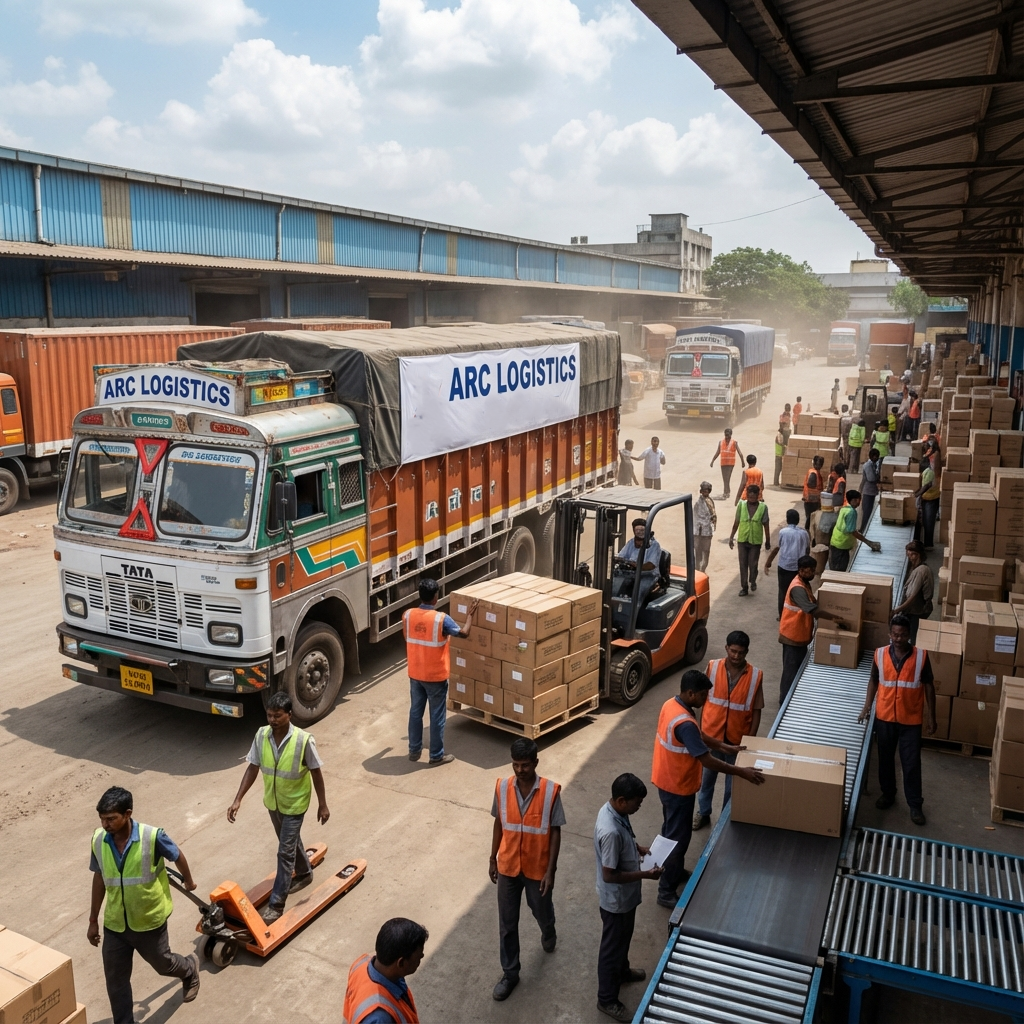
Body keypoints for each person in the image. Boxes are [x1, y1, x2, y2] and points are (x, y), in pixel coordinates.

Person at [651, 671, 765, 909]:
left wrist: (724, 746)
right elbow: (707, 760)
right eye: (704, 695)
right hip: (678, 788)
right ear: (691, 693)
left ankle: (673, 871)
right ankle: (666, 891)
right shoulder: (684, 722)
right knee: (677, 840)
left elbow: (698, 735)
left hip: (666, 780)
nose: (707, 700)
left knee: (669, 833)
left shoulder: (672, 705)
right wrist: (741, 772)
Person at [88, 786, 200, 1024]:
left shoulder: (152, 836)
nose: (105, 825)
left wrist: (189, 881)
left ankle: (189, 969)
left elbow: (176, 855)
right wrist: (92, 921)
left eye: (111, 819)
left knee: (163, 964)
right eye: (102, 819)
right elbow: (99, 878)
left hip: (148, 919)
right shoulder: (99, 840)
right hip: (116, 924)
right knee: (115, 981)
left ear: (128, 814)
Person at [227, 692, 330, 923]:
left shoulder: (304, 740)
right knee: (289, 842)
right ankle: (304, 873)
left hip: (295, 804)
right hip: (273, 803)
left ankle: (276, 904)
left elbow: (316, 772)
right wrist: (238, 799)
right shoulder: (261, 735)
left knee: (284, 852)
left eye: (277, 716)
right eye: (269, 715)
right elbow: (253, 767)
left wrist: (322, 804)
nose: (272, 720)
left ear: (289, 715)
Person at [489, 738, 564, 1001]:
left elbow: (555, 832)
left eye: (525, 765)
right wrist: (492, 858)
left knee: (540, 909)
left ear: (536, 763)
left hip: (536, 868)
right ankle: (510, 973)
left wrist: (551, 871)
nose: (520, 770)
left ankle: (549, 928)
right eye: (515, 765)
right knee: (507, 924)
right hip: (509, 865)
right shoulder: (502, 787)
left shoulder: (550, 791)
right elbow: (499, 822)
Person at [594, 773, 663, 1022]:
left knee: (623, 939)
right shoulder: (610, 831)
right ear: (622, 800)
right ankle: (607, 999)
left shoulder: (615, 811)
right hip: (616, 902)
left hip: (625, 899)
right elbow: (610, 875)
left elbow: (626, 839)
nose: (639, 806)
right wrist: (645, 874)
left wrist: (638, 848)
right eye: (637, 802)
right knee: (611, 949)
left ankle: (621, 972)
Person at [858, 613, 936, 827]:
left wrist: (931, 716)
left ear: (909, 635)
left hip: (910, 720)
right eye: (894, 634)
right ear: (889, 633)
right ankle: (888, 794)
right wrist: (866, 707)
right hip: (885, 717)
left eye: (902, 635)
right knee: (885, 759)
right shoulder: (880, 654)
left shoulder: (921, 656)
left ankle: (915, 804)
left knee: (910, 763)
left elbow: (929, 686)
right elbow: (873, 680)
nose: (898, 638)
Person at [693, 634, 764, 831]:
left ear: (747, 652)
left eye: (741, 653)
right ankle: (703, 812)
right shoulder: (712, 667)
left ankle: (724, 820)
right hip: (712, 737)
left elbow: (757, 710)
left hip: (736, 741)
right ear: (726, 648)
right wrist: (699, 730)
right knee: (707, 779)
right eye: (733, 651)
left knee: (732, 785)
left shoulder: (755, 676)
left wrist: (750, 740)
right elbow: (701, 700)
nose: (736, 656)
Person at [403, 577, 476, 766]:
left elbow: (409, 637)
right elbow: (464, 633)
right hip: (435, 677)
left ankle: (414, 750)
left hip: (415, 674)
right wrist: (470, 615)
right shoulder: (441, 619)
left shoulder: (408, 615)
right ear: (436, 597)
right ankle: (436, 755)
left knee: (415, 712)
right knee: (436, 715)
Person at [778, 555, 848, 702]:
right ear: (801, 570)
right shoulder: (797, 588)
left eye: (814, 570)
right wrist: (836, 618)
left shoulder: (804, 583)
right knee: (790, 673)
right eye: (811, 571)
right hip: (792, 636)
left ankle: (791, 698)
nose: (813, 573)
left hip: (801, 635)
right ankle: (784, 701)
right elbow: (812, 610)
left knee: (798, 670)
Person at [343, 917, 426, 1023]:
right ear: (401, 963)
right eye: (418, 957)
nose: (422, 956)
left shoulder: (361, 964)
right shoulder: (380, 1018)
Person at [765, 509, 810, 617]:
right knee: (798, 591)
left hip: (784, 566)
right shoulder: (804, 533)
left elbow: (777, 548)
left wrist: (768, 562)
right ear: (798, 520)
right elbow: (807, 550)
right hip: (799, 568)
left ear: (787, 519)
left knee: (783, 591)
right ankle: (797, 613)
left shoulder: (783, 532)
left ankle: (782, 615)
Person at [728, 484, 770, 597]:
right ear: (746, 495)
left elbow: (766, 525)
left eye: (753, 496)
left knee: (753, 563)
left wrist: (768, 541)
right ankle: (744, 587)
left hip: (755, 541)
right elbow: (736, 522)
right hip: (742, 539)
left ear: (757, 496)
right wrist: (731, 537)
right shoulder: (741, 505)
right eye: (749, 496)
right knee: (742, 564)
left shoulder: (763, 507)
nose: (751, 498)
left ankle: (753, 580)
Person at [828, 489, 881, 572]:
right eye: (858, 500)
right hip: (842, 545)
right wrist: (868, 542)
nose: (859, 503)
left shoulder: (844, 509)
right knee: (839, 570)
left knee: (834, 566)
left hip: (835, 541)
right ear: (854, 500)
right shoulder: (851, 512)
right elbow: (852, 531)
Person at [614, 518, 662, 608]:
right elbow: (622, 556)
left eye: (642, 530)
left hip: (648, 575)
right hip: (631, 573)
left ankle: (634, 611)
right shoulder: (631, 542)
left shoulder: (654, 545)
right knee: (614, 587)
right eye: (637, 530)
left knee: (638, 594)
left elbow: (651, 565)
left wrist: (636, 566)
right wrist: (616, 559)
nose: (640, 532)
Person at [892, 541, 933, 643]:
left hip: (918, 611)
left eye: (911, 555)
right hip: (912, 610)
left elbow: (913, 596)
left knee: (914, 638)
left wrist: (896, 610)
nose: (909, 557)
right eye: (908, 554)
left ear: (917, 555)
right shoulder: (914, 567)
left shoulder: (922, 570)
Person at [915, 446, 940, 549]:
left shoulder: (929, 472)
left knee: (929, 522)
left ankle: (929, 544)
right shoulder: (927, 470)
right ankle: (925, 543)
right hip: (927, 498)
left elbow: (926, 486)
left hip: (931, 499)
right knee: (925, 521)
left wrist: (917, 494)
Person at [709, 428, 741, 499]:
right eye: (725, 435)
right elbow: (718, 452)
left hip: (730, 463)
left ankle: (726, 492)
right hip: (723, 463)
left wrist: (743, 461)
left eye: (728, 435)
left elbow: (739, 452)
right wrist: (712, 461)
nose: (726, 437)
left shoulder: (734, 442)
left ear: (731, 435)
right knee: (725, 478)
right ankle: (727, 491)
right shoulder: (721, 442)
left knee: (727, 478)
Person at [693, 481, 717, 573]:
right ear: (701, 491)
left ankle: (703, 569)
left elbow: (713, 516)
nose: (705, 492)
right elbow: (694, 516)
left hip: (707, 532)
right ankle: (697, 569)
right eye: (703, 491)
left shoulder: (710, 502)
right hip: (698, 532)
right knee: (698, 551)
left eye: (707, 491)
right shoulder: (697, 502)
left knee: (706, 551)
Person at [859, 448, 881, 529]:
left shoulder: (873, 464)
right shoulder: (868, 465)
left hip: (871, 491)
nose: (878, 458)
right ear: (873, 457)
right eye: (877, 457)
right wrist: (878, 477)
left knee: (869, 511)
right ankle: (863, 529)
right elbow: (871, 478)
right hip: (868, 491)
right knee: (866, 512)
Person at [802, 455, 825, 530]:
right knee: (810, 519)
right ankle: (807, 533)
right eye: (818, 464)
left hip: (813, 500)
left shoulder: (815, 472)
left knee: (810, 518)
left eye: (820, 464)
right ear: (814, 463)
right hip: (811, 501)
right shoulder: (813, 473)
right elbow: (811, 484)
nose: (819, 466)